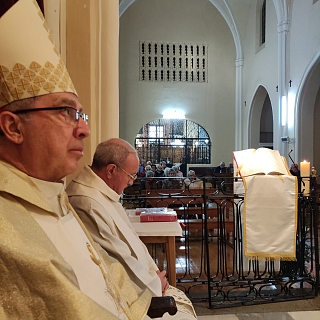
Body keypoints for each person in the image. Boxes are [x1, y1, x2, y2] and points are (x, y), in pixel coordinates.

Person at [0, 1, 163, 319]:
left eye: (80, 114)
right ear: (13, 127)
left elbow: (103, 274)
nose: (84, 129)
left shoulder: (56, 197)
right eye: (65, 112)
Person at [66, 138, 197, 319]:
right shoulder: (87, 202)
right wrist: (153, 283)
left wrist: (155, 274)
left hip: (142, 283)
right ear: (111, 170)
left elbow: (132, 244)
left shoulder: (103, 193)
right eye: (131, 175)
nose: (131, 182)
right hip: (123, 297)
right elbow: (114, 258)